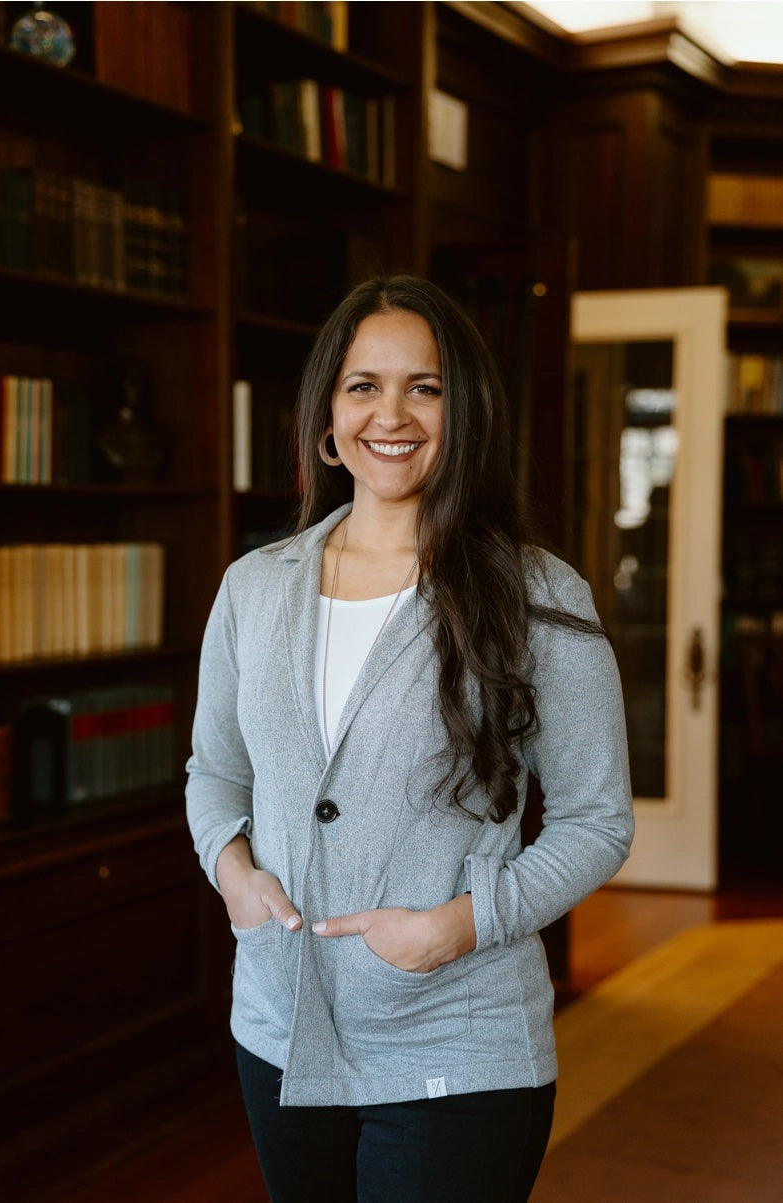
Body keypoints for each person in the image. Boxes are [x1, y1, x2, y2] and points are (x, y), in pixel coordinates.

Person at [185, 274, 634, 1203]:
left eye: (424, 386)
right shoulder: (253, 587)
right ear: (327, 417)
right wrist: (233, 872)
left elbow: (598, 820)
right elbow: (213, 772)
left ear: (462, 409)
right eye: (364, 385)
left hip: (458, 1039)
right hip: (280, 1025)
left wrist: (457, 928)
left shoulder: (538, 594)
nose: (392, 413)